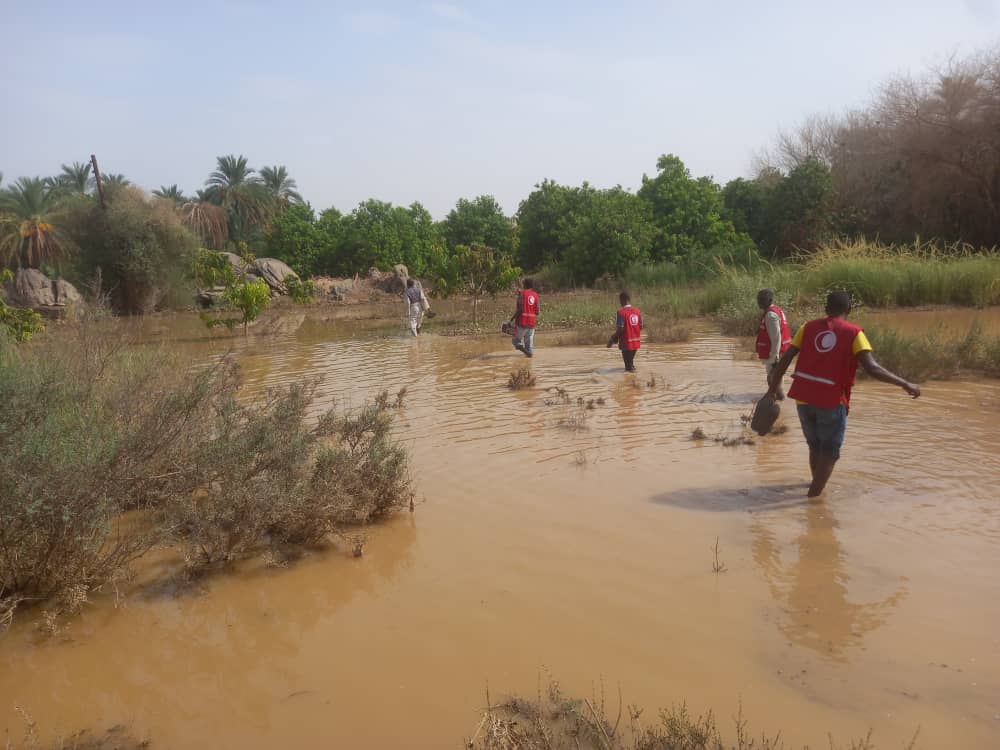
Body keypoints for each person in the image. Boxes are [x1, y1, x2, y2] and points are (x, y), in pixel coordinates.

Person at [767, 291, 920, 498]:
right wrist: (905, 383)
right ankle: (813, 499)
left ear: (826, 309)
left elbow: (785, 360)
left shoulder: (807, 327)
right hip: (830, 401)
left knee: (815, 446)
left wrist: (771, 390)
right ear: (849, 310)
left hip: (803, 399)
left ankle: (816, 487)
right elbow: (872, 368)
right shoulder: (854, 333)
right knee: (829, 453)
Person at [756, 288, 792, 399]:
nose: (760, 302)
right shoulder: (776, 310)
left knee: (774, 380)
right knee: (776, 379)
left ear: (770, 300)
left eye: (763, 300)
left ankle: (777, 402)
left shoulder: (770, 315)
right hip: (781, 351)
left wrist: (774, 358)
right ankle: (777, 401)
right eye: (759, 299)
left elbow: (776, 338)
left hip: (777, 353)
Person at [607, 290, 642, 372]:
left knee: (628, 368)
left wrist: (613, 338)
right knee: (631, 365)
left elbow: (620, 329)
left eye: (620, 300)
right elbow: (641, 326)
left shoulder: (621, 312)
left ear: (623, 299)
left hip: (626, 344)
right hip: (636, 343)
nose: (620, 302)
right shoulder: (638, 312)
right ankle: (634, 382)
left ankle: (630, 383)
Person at [510, 278, 539, 357]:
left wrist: (512, 319)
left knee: (515, 341)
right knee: (529, 346)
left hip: (521, 322)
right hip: (532, 324)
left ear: (524, 285)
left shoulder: (522, 294)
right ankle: (529, 353)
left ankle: (520, 346)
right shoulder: (536, 295)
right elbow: (537, 312)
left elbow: (520, 309)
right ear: (532, 286)